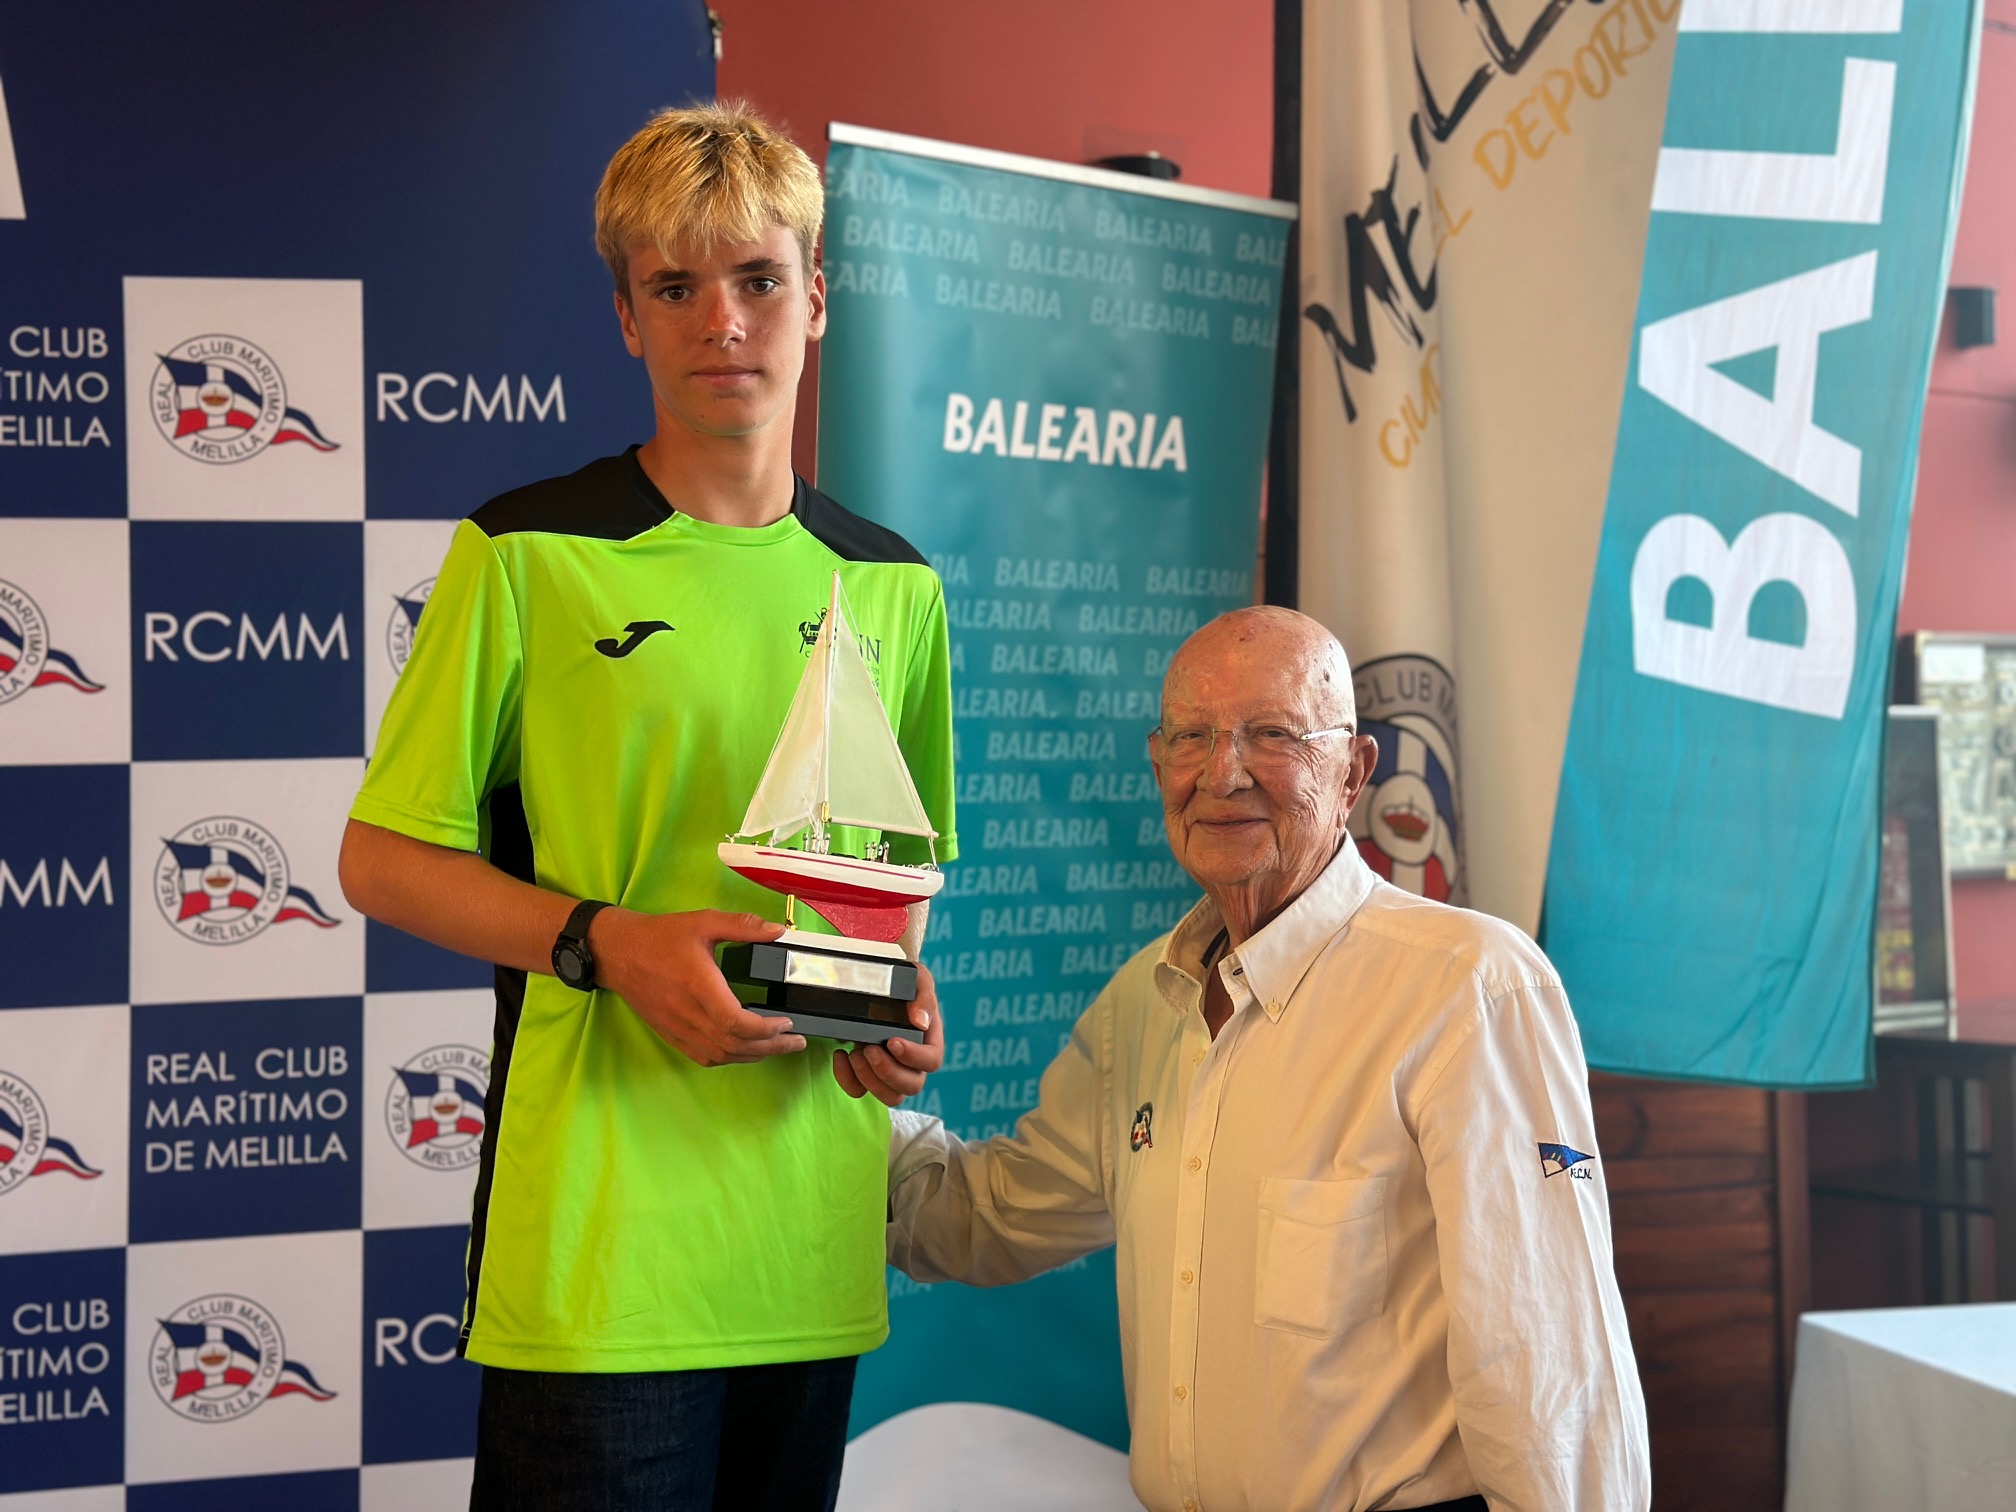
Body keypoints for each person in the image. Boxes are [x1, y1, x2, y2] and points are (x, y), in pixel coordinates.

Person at [338, 102, 956, 1512]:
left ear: (816, 298)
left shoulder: (897, 588)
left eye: (758, 279)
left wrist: (899, 1016)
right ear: (626, 318)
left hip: (807, 1240)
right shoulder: (526, 552)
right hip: (602, 1249)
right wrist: (608, 942)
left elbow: (893, 897)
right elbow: (380, 859)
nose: (721, 321)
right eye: (675, 287)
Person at [886, 607, 1650, 1512]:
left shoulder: (1468, 989)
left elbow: (1552, 1380)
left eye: (1274, 735)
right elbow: (984, 1217)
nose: (1223, 773)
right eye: (1192, 738)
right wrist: (825, 1084)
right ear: (1158, 765)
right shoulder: (1143, 1004)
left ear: (1354, 771)